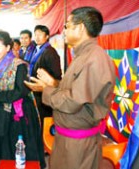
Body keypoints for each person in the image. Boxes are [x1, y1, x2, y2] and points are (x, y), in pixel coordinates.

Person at [25, 6, 116, 169]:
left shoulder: (94, 59)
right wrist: (53, 84)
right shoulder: (83, 56)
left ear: (80, 28)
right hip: (67, 139)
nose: (64, 31)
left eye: (67, 26)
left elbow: (72, 101)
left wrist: (44, 90)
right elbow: (75, 89)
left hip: (77, 144)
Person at [0, 31, 45, 169]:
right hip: (0, 112)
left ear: (8, 48)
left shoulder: (19, 65)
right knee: (2, 148)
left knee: (14, 148)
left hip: (17, 115)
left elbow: (20, 91)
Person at [26, 25, 62, 128]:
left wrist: (49, 85)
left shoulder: (50, 52)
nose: (37, 37)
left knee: (44, 120)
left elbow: (57, 76)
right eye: (35, 35)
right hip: (36, 91)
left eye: (40, 34)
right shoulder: (35, 50)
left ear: (47, 36)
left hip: (45, 92)